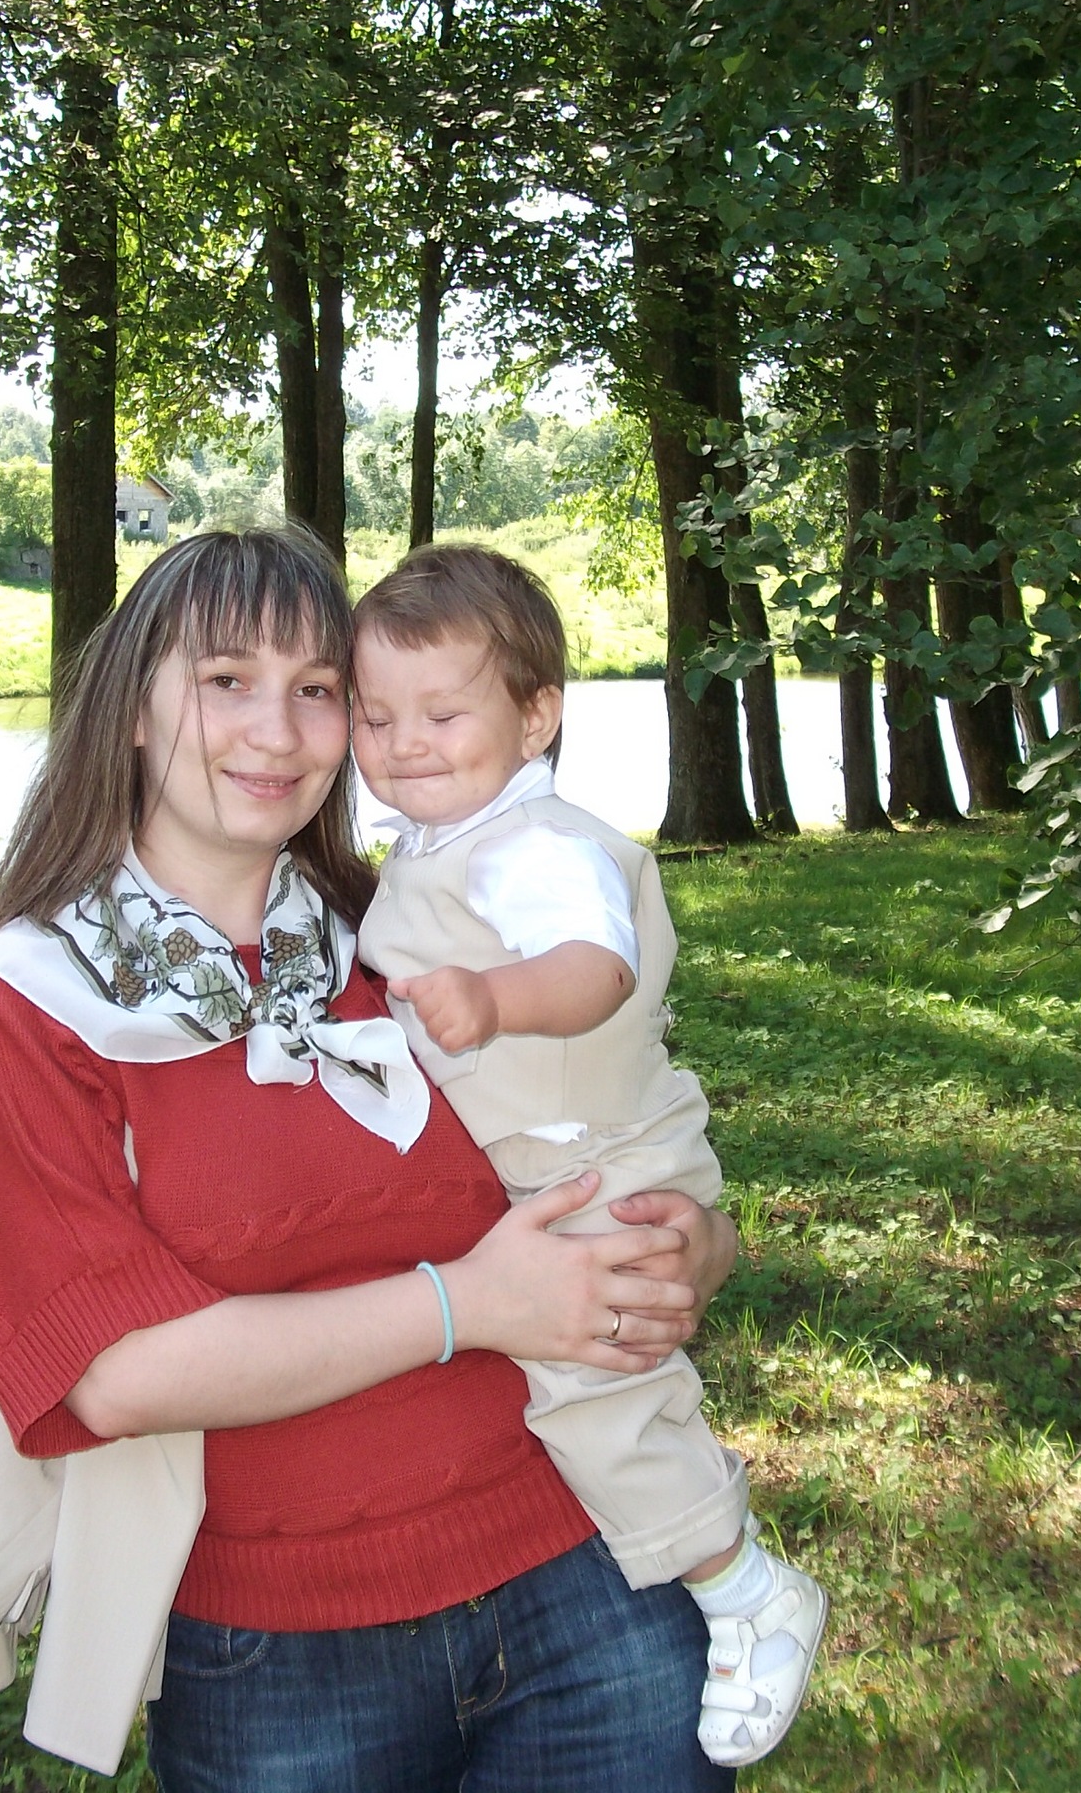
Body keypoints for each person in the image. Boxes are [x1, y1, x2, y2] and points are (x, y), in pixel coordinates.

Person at [0, 524, 743, 1790]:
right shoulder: (35, 997)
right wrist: (465, 1305)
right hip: (282, 1661)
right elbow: (111, 1376)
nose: (277, 731)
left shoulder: (413, 936)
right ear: (132, 708)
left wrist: (691, 1248)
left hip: (590, 1579)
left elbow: (609, 1132)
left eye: (316, 689)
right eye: (226, 680)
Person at [351, 544, 826, 1767]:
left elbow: (593, 968)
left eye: (442, 714)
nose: (403, 744)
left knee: (597, 1385)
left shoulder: (533, 846)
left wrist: (492, 999)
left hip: (596, 1162)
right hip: (563, 1158)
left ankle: (744, 1591)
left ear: (537, 717)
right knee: (593, 1369)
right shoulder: (441, 841)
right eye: (373, 716)